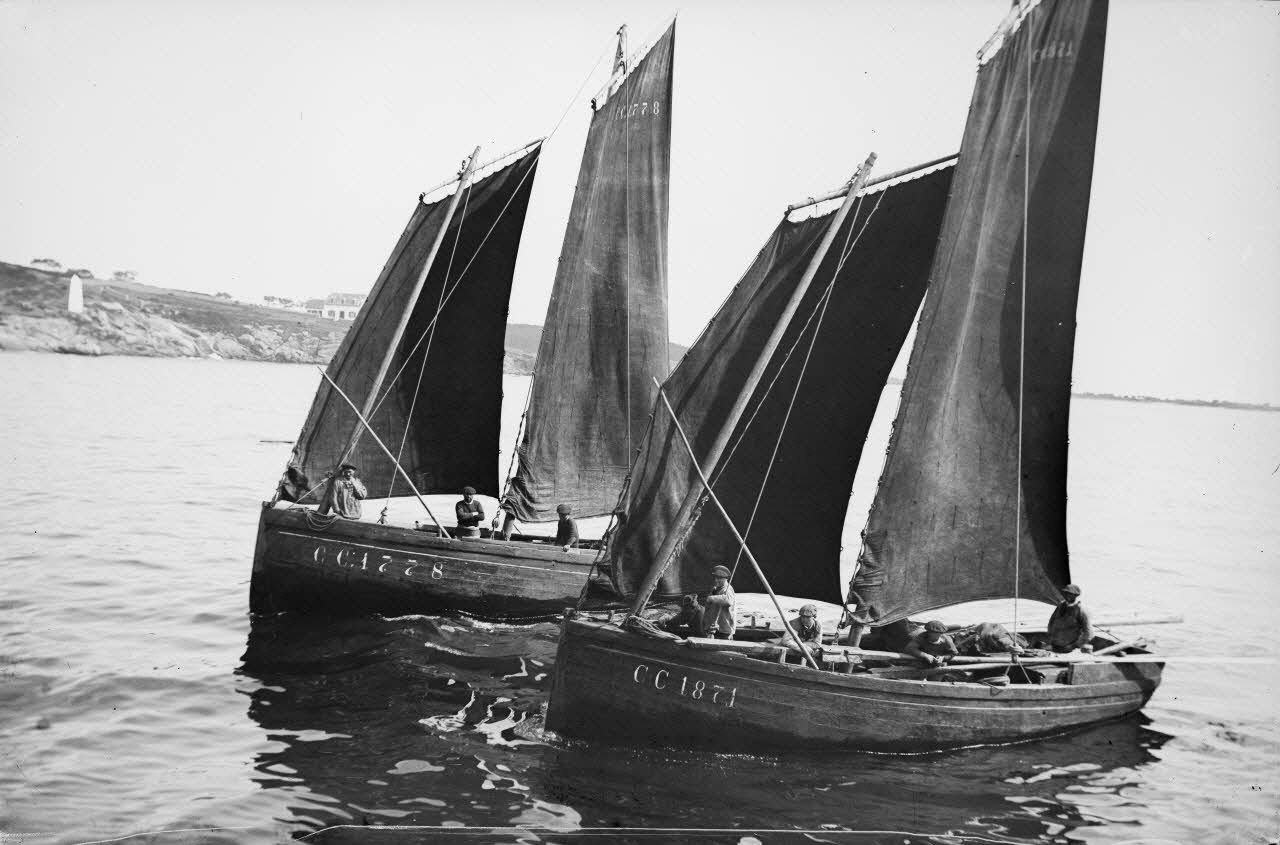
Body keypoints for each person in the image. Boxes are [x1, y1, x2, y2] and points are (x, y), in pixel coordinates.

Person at [1047, 583, 1094, 653]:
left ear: (1076, 595)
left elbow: (1089, 633)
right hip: (1055, 646)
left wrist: (1074, 646)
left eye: (1070, 594)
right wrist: (1050, 637)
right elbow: (1051, 622)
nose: (1067, 595)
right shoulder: (1060, 605)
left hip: (1070, 649)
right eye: (1065, 593)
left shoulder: (1081, 610)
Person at [703, 565, 736, 639]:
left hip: (724, 630)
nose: (716, 580)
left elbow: (728, 600)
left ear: (725, 578)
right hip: (715, 628)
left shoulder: (727, 590)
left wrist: (711, 598)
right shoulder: (716, 589)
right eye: (716, 578)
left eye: (719, 578)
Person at [954, 621, 1026, 656]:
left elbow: (1007, 643)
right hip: (990, 632)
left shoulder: (996, 636)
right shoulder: (978, 631)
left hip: (995, 635)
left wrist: (1018, 649)